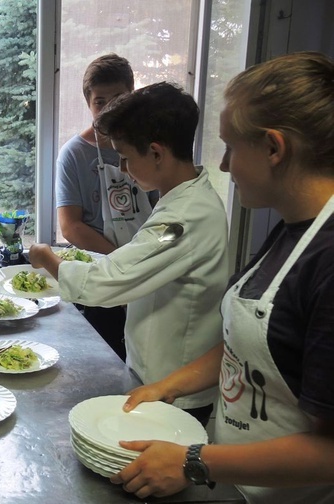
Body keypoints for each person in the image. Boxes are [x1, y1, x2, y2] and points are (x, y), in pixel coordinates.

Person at [110, 52, 334, 503]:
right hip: (233, 483)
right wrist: (169, 385)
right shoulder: (292, 231)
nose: (225, 166)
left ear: (274, 148)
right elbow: (251, 345)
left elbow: (329, 451)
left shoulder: (328, 262)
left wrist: (195, 462)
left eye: (231, 147)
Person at [31, 82, 231, 426]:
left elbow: (105, 283)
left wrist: (46, 258)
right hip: (155, 375)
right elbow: (133, 263)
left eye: (125, 159)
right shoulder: (180, 200)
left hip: (174, 391)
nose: (122, 170)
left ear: (156, 153)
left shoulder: (186, 216)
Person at [55, 54, 157, 361]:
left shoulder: (149, 147)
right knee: (104, 359)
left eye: (119, 99)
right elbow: (71, 226)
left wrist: (141, 265)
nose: (110, 109)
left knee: (142, 360)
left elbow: (161, 208)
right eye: (100, 102)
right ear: (88, 103)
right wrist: (122, 261)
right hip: (101, 275)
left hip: (147, 271)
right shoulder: (74, 154)